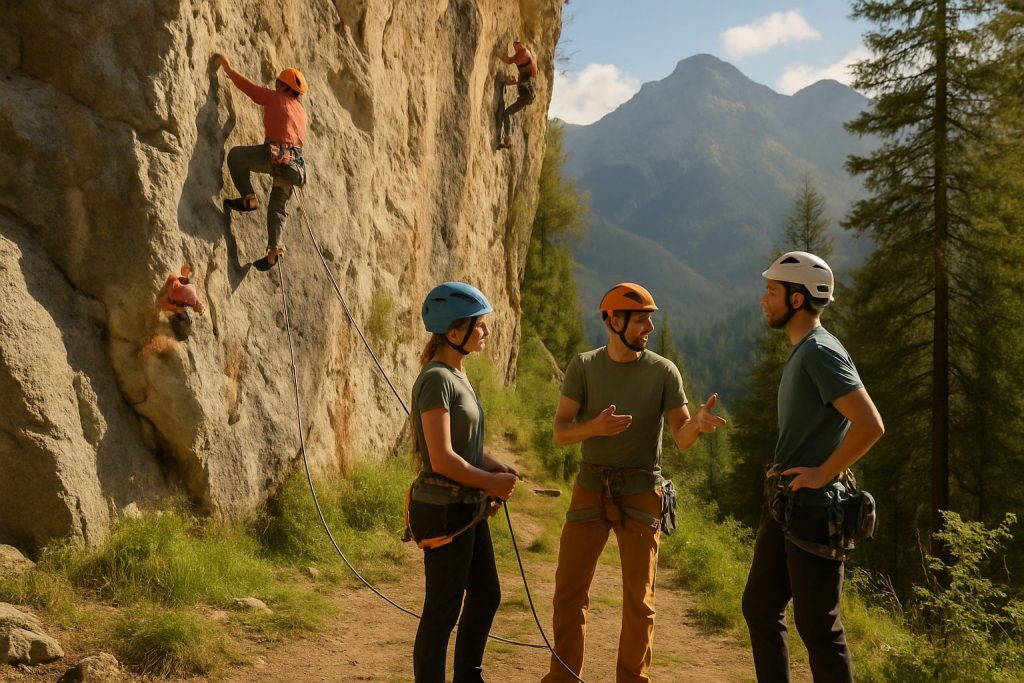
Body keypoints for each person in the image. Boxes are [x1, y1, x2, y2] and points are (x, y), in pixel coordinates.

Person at [542, 283, 726, 683]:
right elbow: (561, 431)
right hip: (591, 484)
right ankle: (563, 678)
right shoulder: (584, 366)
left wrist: (696, 424)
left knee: (639, 603)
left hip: (642, 490)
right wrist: (596, 428)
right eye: (642, 319)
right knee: (569, 594)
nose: (650, 327)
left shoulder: (663, 372)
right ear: (613, 320)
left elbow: (680, 437)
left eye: (650, 319)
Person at [742, 251, 885, 682]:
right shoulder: (806, 349)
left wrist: (823, 473)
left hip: (815, 507)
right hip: (790, 503)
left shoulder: (821, 351)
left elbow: (870, 424)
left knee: (818, 627)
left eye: (772, 291)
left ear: (798, 299)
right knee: (760, 607)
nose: (763, 298)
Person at [409, 281, 519, 683]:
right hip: (445, 510)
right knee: (442, 609)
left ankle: (468, 677)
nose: (487, 333)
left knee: (487, 593)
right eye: (480, 326)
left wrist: (496, 468)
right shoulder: (437, 380)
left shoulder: (457, 375)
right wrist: (490, 483)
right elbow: (441, 458)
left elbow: (466, 449)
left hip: (465, 506)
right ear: (454, 332)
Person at [213, 53, 308, 271]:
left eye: (278, 83)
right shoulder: (302, 112)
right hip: (295, 166)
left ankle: (248, 198)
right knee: (278, 207)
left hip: (275, 155)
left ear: (285, 87)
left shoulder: (276, 98)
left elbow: (251, 89)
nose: (275, 86)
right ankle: (274, 250)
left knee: (236, 157)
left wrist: (228, 68)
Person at [495, 40, 538, 149]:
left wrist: (496, 52)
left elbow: (532, 75)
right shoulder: (521, 56)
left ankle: (508, 137)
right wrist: (497, 53)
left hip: (528, 94)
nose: (515, 49)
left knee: (507, 113)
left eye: (516, 46)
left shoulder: (526, 56)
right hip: (526, 95)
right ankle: (507, 139)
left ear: (521, 46)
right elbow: (509, 61)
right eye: (514, 47)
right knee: (507, 113)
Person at [156, 264, 205, 341]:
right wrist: (174, 307)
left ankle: (175, 330)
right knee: (183, 320)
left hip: (172, 288)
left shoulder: (192, 295)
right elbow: (165, 302)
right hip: (170, 291)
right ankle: (174, 331)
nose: (197, 312)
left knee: (184, 319)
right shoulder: (189, 299)